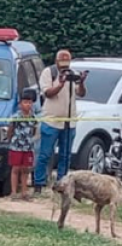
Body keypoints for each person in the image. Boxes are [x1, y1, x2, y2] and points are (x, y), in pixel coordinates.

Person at [34, 49, 88, 195]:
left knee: (65, 155)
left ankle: (61, 184)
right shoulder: (48, 73)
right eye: (62, 60)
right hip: (51, 120)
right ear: (56, 60)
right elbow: (48, 93)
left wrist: (81, 82)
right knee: (44, 154)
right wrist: (61, 83)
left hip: (69, 122)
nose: (65, 63)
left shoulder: (72, 73)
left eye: (67, 60)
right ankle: (39, 183)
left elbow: (81, 93)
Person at [6, 89, 38, 200]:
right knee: (15, 169)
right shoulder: (15, 117)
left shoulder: (33, 118)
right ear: (20, 104)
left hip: (28, 147)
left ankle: (24, 192)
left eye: (30, 102)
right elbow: (10, 130)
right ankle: (14, 192)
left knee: (25, 169)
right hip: (16, 147)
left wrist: (31, 140)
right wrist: (11, 140)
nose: (27, 105)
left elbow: (34, 130)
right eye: (25, 102)